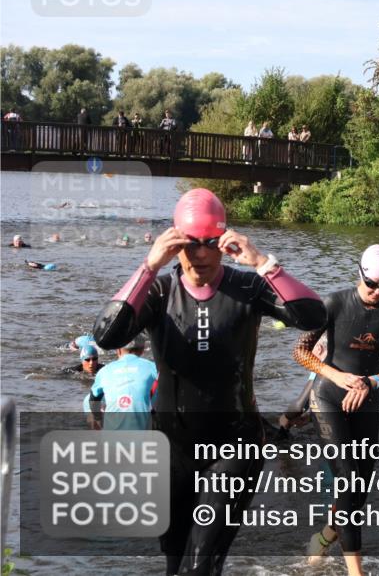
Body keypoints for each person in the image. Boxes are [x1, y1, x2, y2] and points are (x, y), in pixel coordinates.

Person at [92, 188, 326, 576]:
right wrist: (148, 266)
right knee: (174, 560)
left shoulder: (247, 288)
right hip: (171, 448)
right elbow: (106, 336)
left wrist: (264, 263)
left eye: (209, 243)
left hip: (234, 446)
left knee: (201, 564)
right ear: (175, 242)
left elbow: (313, 316)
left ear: (223, 241)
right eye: (190, 244)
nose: (200, 254)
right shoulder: (159, 292)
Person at [293, 244, 379, 575]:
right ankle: (356, 573)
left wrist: (369, 383)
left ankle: (326, 534)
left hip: (366, 398)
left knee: (360, 489)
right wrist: (338, 376)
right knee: (346, 481)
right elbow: (302, 351)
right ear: (360, 274)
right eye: (372, 284)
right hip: (329, 395)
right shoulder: (333, 303)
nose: (377, 291)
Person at [84, 333, 157, 430]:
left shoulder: (104, 371)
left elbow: (93, 400)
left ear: (117, 350)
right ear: (142, 349)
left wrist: (98, 418)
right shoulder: (152, 368)